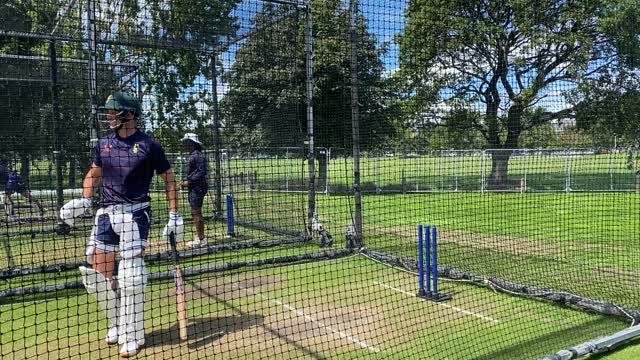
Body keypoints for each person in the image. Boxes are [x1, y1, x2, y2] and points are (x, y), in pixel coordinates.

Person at [60, 91, 184, 358]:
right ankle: (118, 322)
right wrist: (84, 200)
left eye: (112, 112)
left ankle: (134, 334)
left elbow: (170, 179)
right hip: (106, 213)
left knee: (131, 275)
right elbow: (93, 174)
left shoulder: (149, 145)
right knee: (96, 276)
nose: (108, 117)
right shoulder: (104, 144)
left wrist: (175, 215)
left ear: (129, 114)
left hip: (136, 213)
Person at [179, 133, 209, 248]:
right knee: (195, 212)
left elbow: (202, 171)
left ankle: (201, 239)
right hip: (196, 187)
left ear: (192, 143)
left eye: (186, 143)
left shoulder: (197, 156)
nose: (184, 145)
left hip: (197, 187)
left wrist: (189, 181)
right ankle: (200, 236)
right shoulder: (195, 155)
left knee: (196, 212)